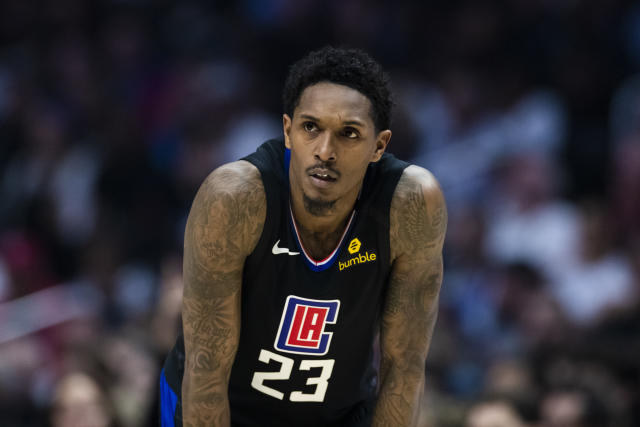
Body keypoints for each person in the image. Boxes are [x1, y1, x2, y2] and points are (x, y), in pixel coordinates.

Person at [159, 46, 447, 427]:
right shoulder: (235, 199)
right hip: (225, 406)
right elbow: (206, 371)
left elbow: (405, 367)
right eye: (311, 127)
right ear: (287, 130)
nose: (325, 151)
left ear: (379, 145)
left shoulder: (410, 204)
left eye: (349, 133)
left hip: (341, 412)